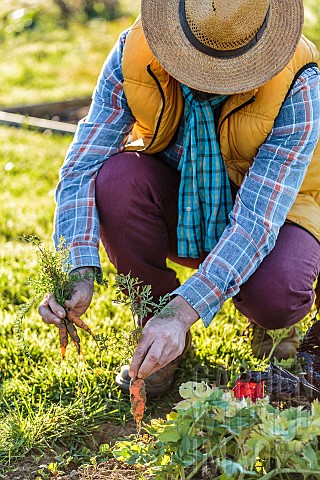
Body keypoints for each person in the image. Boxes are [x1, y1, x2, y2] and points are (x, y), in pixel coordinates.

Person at [39, 0, 320, 395]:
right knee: (117, 178)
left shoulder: (299, 80)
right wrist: (78, 272)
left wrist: (183, 311)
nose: (208, 79)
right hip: (181, 197)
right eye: (197, 61)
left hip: (279, 211)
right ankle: (158, 334)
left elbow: (257, 219)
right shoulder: (135, 52)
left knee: (276, 294)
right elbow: (82, 166)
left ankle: (252, 319)